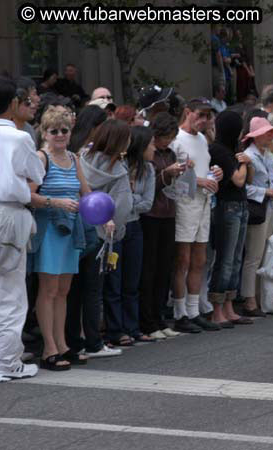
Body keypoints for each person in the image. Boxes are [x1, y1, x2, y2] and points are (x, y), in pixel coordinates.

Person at [29, 107, 90, 370]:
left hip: (70, 230)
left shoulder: (74, 159)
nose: (60, 135)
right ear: (44, 132)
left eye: (64, 130)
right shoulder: (41, 158)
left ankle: (62, 344)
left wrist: (105, 217)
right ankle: (49, 348)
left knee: (63, 291)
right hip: (49, 229)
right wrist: (56, 202)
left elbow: (87, 194)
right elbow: (28, 194)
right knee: (49, 289)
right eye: (54, 130)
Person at [68, 119, 134, 359]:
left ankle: (73, 340)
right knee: (94, 291)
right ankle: (94, 342)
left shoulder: (81, 157)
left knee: (73, 290)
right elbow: (123, 207)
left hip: (76, 231)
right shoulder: (118, 170)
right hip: (101, 234)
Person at [0, 77, 45, 382]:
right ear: (14, 103)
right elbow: (37, 172)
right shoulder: (17, 137)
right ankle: (6, 362)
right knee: (11, 294)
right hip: (10, 212)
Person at [170, 98, 223, 333]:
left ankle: (194, 310)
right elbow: (173, 175)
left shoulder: (202, 139)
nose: (204, 120)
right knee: (183, 259)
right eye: (199, 115)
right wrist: (200, 180)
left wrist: (214, 175)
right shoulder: (176, 140)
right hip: (184, 203)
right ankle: (180, 312)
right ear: (187, 112)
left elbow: (203, 168)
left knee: (199, 258)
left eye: (207, 116)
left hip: (203, 201)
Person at [102, 126, 157, 346]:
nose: (153, 147)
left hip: (134, 226)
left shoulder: (149, 170)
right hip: (114, 226)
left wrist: (129, 197)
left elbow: (147, 204)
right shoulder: (118, 167)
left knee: (132, 281)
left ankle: (132, 327)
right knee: (114, 280)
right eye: (150, 143)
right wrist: (131, 197)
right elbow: (111, 200)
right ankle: (116, 329)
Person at [206, 111, 254, 326]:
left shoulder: (235, 149)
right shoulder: (218, 150)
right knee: (225, 259)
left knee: (236, 258)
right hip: (227, 206)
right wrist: (244, 163)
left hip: (241, 204)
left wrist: (247, 162)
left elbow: (248, 179)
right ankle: (217, 309)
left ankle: (229, 305)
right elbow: (238, 180)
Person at [139, 112, 183, 340]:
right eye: (166, 137)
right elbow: (148, 185)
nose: (167, 142)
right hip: (150, 214)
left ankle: (159, 317)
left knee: (165, 267)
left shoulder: (171, 153)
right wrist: (166, 173)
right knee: (150, 268)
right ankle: (147, 321)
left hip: (168, 212)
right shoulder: (149, 154)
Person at [241, 115, 273, 315]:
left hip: (268, 209)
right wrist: (263, 193)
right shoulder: (248, 156)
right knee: (254, 255)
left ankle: (260, 296)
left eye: (270, 133)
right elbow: (244, 187)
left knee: (263, 256)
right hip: (257, 210)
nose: (269, 136)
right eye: (265, 133)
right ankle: (249, 298)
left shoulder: (266, 156)